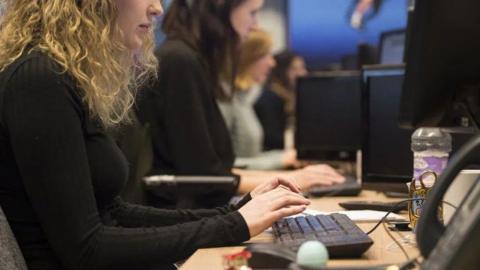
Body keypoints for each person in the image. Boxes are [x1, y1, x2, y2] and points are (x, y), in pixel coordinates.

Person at [0, 1, 310, 269]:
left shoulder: (65, 77)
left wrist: (233, 212)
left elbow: (114, 212)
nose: (158, 8)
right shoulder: (39, 80)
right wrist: (234, 225)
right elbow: (86, 249)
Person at [137, 0, 344, 208]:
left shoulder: (191, 60)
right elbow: (204, 177)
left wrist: (288, 178)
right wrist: (293, 180)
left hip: (198, 217)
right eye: (252, 13)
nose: (255, 25)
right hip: (188, 221)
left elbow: (216, 173)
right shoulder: (179, 61)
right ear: (219, 10)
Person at [217, 29, 297, 170]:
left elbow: (252, 158)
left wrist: (289, 156)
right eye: (265, 55)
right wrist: (281, 160)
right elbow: (222, 167)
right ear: (247, 57)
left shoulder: (240, 99)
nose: (272, 63)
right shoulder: (224, 99)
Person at [254, 51, 308, 151]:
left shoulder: (292, 97)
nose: (302, 74)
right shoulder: (269, 98)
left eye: (302, 68)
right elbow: (273, 139)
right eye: (295, 69)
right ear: (281, 71)